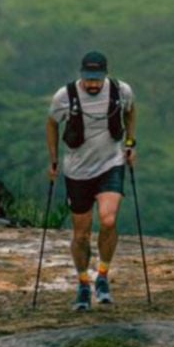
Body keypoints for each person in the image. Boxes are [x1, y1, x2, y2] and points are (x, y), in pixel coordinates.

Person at [46, 50, 137, 311]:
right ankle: (83, 283)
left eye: (97, 79)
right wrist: (53, 161)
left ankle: (103, 277)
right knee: (81, 234)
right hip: (78, 171)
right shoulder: (65, 97)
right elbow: (52, 124)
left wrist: (131, 143)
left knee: (108, 219)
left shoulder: (121, 91)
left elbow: (131, 112)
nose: (93, 84)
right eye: (89, 79)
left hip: (111, 163)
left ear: (105, 75)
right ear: (81, 75)